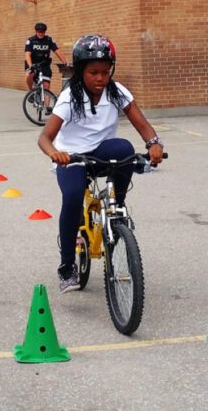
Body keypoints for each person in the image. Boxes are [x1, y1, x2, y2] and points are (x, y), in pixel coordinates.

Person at [37, 34, 165, 293]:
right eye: (93, 72)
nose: (100, 78)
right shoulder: (69, 97)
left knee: (125, 149)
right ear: (81, 70)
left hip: (100, 152)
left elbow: (141, 123)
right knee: (72, 197)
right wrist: (55, 153)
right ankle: (67, 266)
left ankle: (117, 204)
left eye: (105, 72)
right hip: (71, 156)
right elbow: (45, 137)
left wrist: (153, 143)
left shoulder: (116, 92)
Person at [25, 22, 68, 112]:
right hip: (33, 63)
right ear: (36, 31)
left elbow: (57, 51)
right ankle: (31, 92)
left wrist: (64, 62)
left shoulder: (49, 40)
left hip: (44, 64)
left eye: (42, 32)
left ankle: (47, 107)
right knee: (29, 75)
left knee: (46, 86)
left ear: (45, 32)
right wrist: (31, 66)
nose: (41, 33)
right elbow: (27, 55)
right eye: (39, 32)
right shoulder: (31, 40)